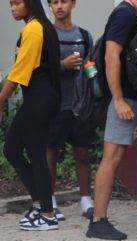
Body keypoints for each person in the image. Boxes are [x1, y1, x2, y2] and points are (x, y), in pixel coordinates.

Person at [0, 0, 61, 231]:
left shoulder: (35, 29)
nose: (13, 8)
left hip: (40, 99)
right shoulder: (37, 26)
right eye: (11, 4)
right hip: (40, 98)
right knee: (12, 149)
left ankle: (47, 214)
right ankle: (40, 204)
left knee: (37, 155)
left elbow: (19, 74)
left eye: (17, 3)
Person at [86, 0, 137, 240]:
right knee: (112, 158)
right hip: (126, 101)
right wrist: (119, 99)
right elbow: (111, 56)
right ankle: (98, 222)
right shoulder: (123, 14)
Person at [46, 0, 96, 220]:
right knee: (50, 154)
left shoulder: (84, 36)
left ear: (73, 4)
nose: (59, 6)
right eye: (54, 2)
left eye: (63, 1)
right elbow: (39, 69)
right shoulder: (47, 35)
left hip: (80, 105)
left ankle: (86, 200)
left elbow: (92, 66)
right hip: (55, 105)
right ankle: (51, 201)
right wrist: (62, 66)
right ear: (49, 6)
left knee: (83, 153)